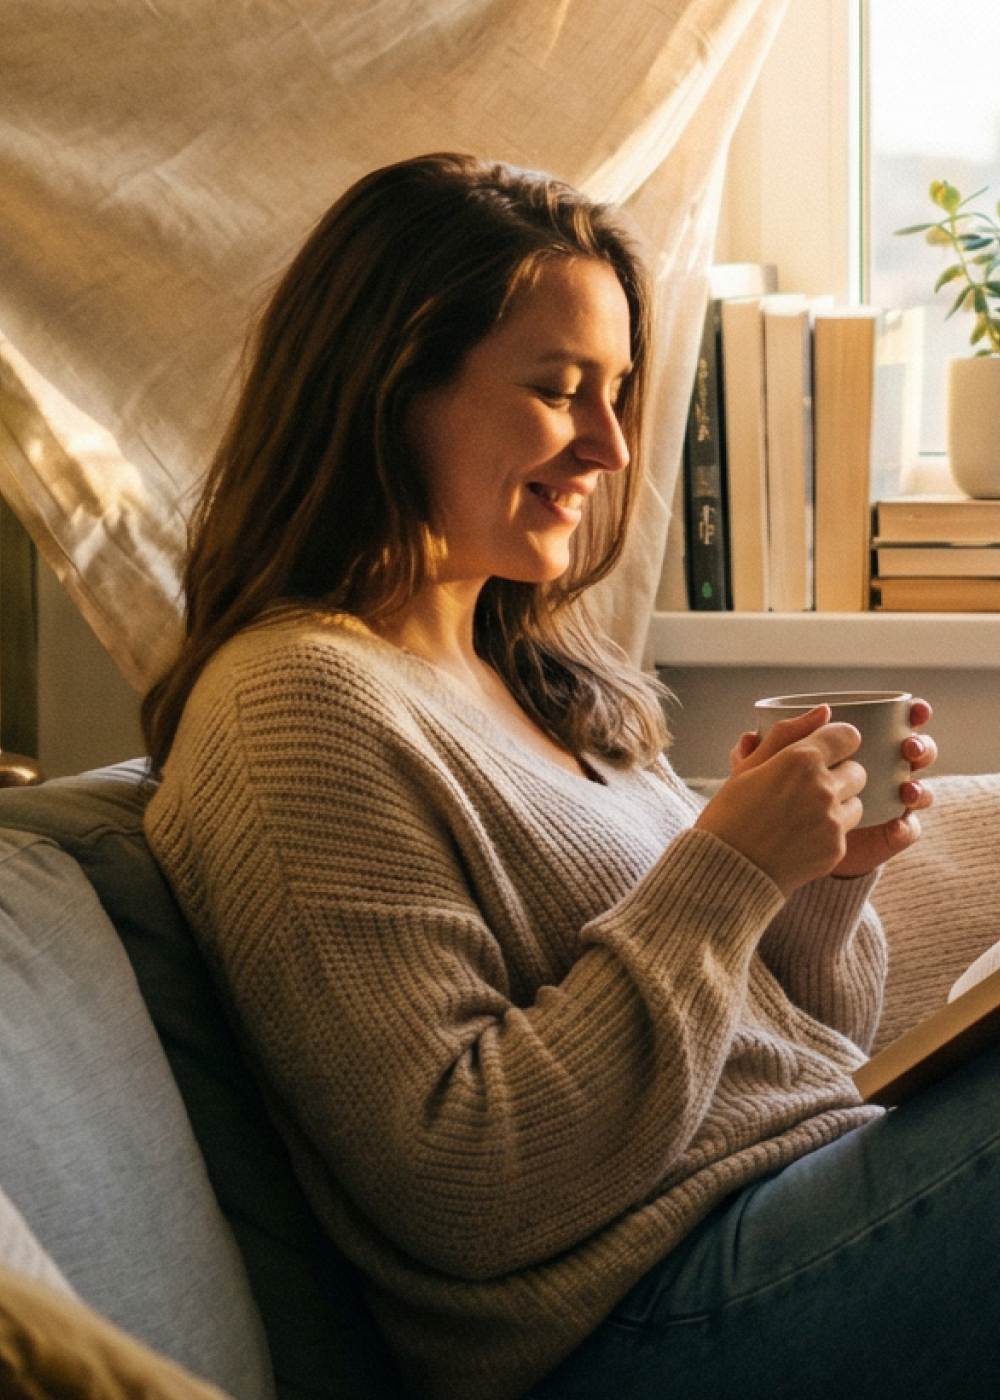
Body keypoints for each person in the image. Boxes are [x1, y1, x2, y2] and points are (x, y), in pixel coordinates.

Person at [139, 153, 999, 1400]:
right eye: (557, 391)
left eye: (618, 394)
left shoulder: (538, 677)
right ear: (389, 392)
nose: (606, 446)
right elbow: (463, 1180)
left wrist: (812, 883)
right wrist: (722, 869)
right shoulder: (295, 705)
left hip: (793, 1197)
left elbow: (802, 1043)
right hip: (643, 1314)